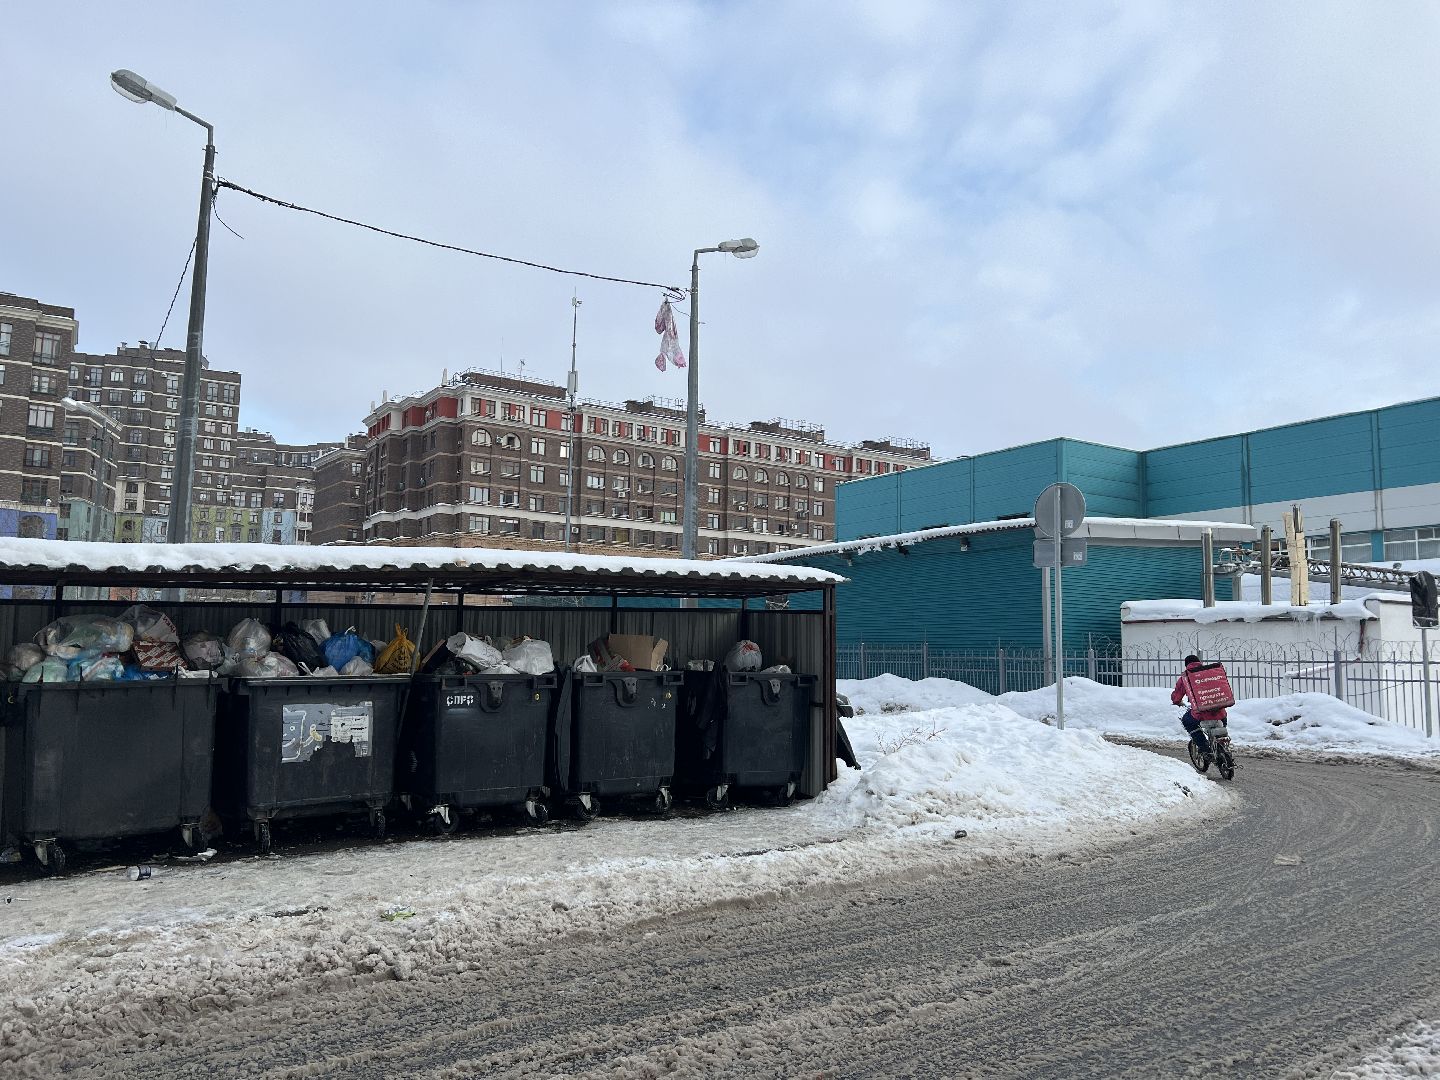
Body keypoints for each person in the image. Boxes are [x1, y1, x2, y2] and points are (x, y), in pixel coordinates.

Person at [1172, 653, 1227, 764]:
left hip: (1200, 714)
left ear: (1186, 665)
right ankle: (1221, 743)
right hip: (1220, 712)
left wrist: (1177, 702)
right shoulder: (1211, 672)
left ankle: (1204, 748)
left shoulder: (1186, 677)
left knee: (1187, 721)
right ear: (1199, 662)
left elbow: (1177, 696)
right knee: (1222, 720)